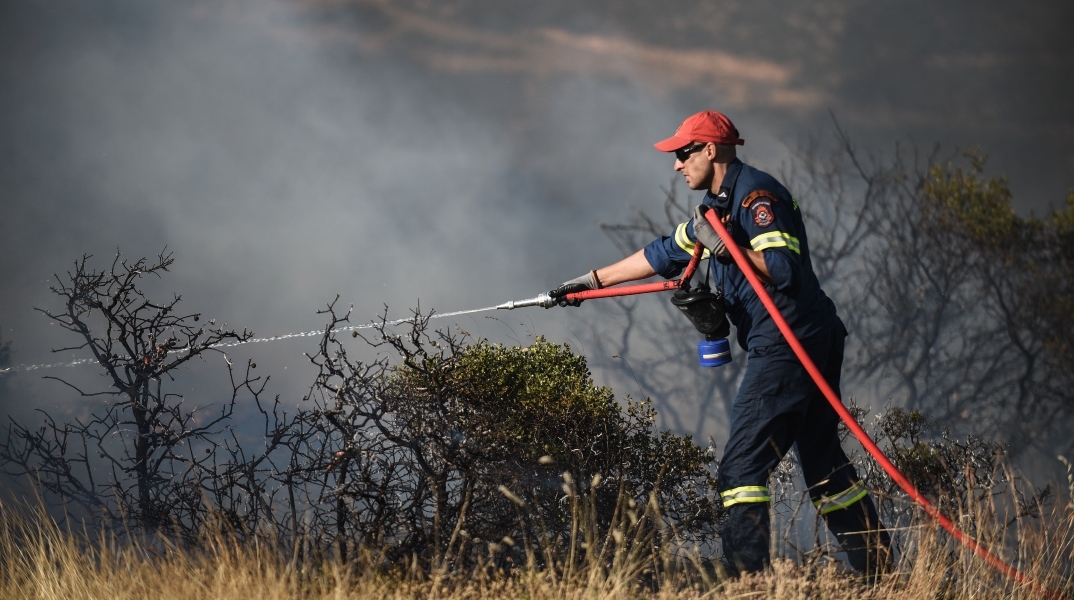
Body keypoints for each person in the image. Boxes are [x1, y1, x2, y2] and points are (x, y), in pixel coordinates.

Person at [549, 110, 891, 577]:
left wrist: (728, 247)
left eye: (683, 153)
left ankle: (746, 579)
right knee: (824, 465)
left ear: (711, 150)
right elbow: (663, 253)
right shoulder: (715, 208)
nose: (676, 164)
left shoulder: (756, 196)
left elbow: (784, 269)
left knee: (741, 469)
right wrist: (589, 283)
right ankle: (881, 573)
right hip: (807, 338)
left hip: (788, 341)